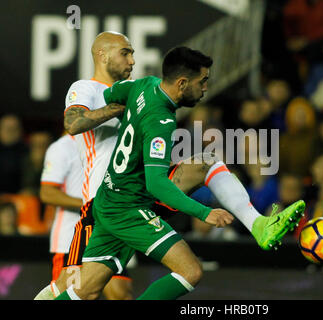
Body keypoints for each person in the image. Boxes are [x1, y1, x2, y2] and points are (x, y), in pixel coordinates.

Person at [55, 46, 305, 300]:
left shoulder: (144, 85)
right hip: (129, 209)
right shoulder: (160, 121)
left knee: (85, 290)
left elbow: (112, 93)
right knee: (191, 271)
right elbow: (156, 185)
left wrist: (133, 112)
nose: (206, 88)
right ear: (183, 83)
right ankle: (259, 226)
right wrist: (204, 212)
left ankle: (258, 225)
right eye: (203, 81)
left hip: (109, 199)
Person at [34, 31, 136, 300]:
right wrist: (118, 107)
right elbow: (73, 124)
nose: (132, 60)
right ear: (102, 55)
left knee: (119, 293)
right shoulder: (85, 89)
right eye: (126, 52)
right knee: (72, 290)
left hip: (124, 205)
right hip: (88, 214)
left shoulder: (132, 93)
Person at [39, 133, 84, 286]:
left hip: (103, 236)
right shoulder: (62, 147)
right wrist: (90, 205)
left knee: (121, 293)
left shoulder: (105, 143)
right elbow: (47, 193)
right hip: (70, 239)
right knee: (68, 294)